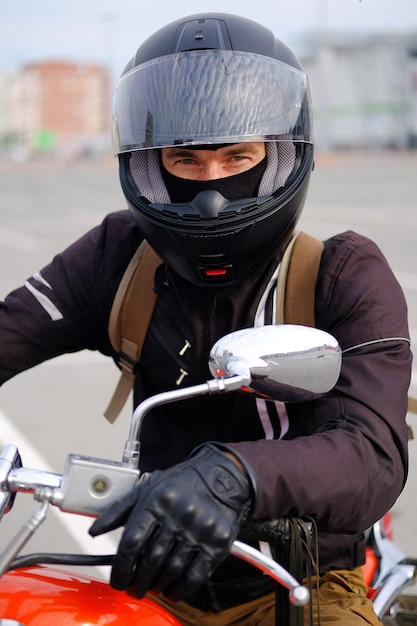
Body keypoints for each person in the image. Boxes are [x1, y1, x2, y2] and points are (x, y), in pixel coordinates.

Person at [0, 12, 411, 626]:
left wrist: (234, 474)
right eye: (185, 160)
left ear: (278, 156)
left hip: (302, 584)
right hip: (156, 572)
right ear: (149, 164)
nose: (212, 189)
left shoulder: (342, 273)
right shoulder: (119, 256)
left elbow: (373, 455)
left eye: (237, 156)